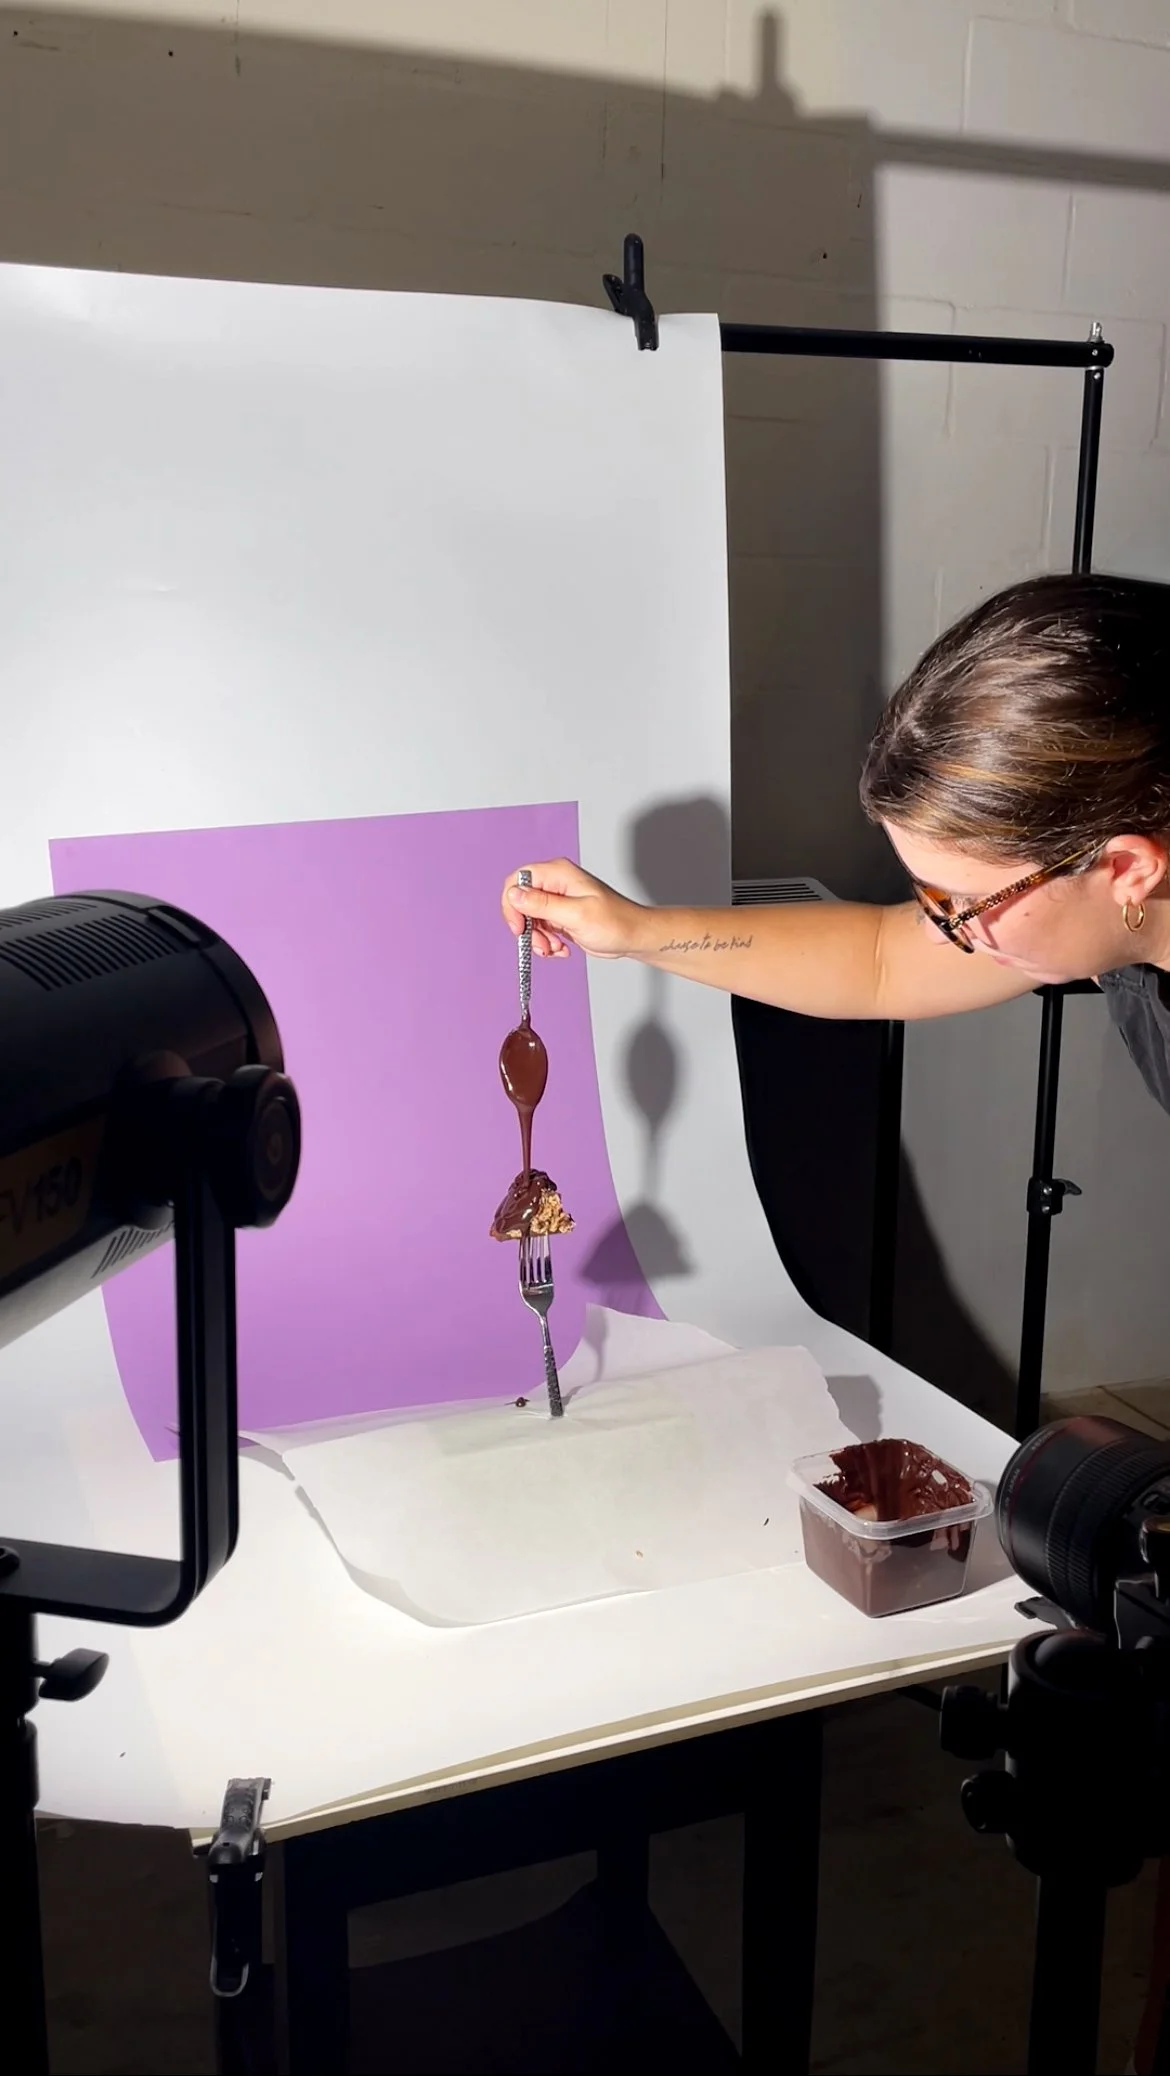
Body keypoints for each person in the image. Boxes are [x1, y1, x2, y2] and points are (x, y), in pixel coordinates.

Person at [501, 568, 1170, 2075]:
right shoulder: (1129, 915)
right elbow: (876, 958)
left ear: (1124, 862)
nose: (948, 932)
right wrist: (635, 933)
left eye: (967, 905)